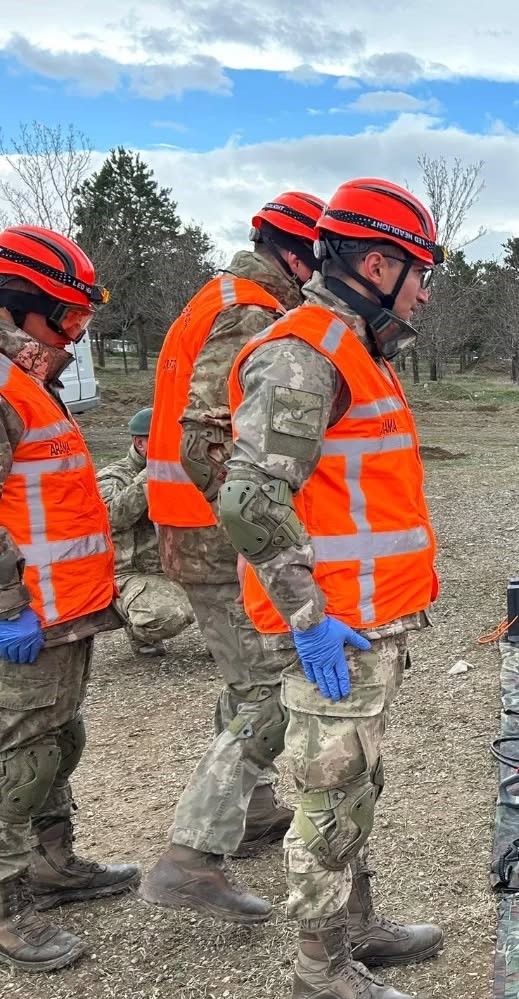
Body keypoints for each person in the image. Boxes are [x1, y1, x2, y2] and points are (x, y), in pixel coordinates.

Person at [216, 178, 442, 999]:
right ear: (378, 263)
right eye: (419, 272)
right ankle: (321, 976)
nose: (423, 291)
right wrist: (309, 619)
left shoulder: (352, 349)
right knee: (327, 796)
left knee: (355, 784)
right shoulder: (306, 354)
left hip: (365, 621)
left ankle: (356, 927)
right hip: (335, 630)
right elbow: (247, 499)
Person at [140, 193, 325, 924]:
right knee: (269, 691)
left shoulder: (218, 296)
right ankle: (193, 856)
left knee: (246, 677)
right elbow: (209, 438)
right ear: (299, 256)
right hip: (216, 532)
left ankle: (247, 812)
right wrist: (255, 520)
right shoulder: (250, 311)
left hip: (192, 526)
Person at [0, 225, 137, 971]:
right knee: (19, 758)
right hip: (24, 614)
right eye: (68, 318)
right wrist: (6, 605)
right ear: (20, 305)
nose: (77, 336)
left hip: (61, 609)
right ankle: (8, 903)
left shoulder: (25, 380)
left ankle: (53, 866)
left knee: (58, 744)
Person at [95, 407, 195, 656]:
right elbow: (111, 519)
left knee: (232, 599)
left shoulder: (181, 471)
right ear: (141, 443)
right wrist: (151, 474)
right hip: (133, 573)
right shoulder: (114, 477)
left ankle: (222, 643)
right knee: (170, 615)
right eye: (164, 438)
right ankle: (133, 622)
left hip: (179, 565)